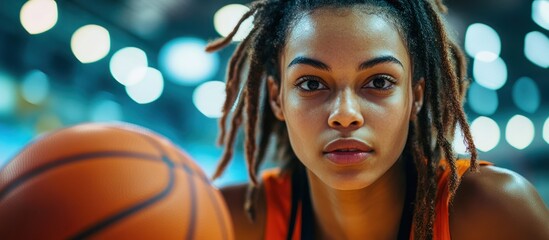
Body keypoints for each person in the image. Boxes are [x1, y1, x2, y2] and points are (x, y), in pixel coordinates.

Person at [206, 0, 549, 239]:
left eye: (379, 82)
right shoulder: (228, 222)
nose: (344, 115)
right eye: (311, 83)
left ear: (415, 96)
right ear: (277, 98)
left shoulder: (493, 212)